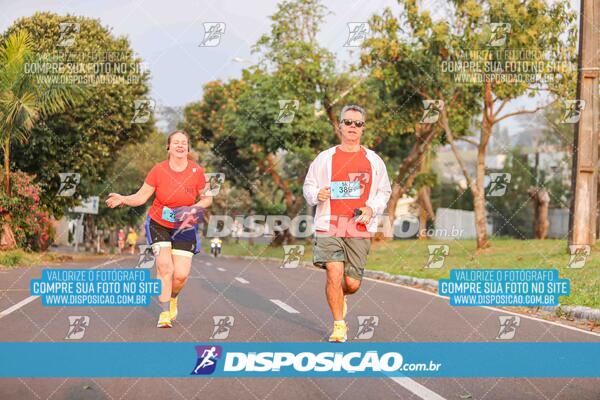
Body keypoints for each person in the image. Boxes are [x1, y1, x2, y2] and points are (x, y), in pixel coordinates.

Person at [106, 130, 212, 328]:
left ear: (188, 148)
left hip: (184, 224)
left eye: (184, 143)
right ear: (168, 147)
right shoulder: (158, 170)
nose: (180, 145)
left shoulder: (198, 172)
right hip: (158, 222)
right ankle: (164, 313)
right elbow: (141, 196)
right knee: (165, 267)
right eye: (176, 142)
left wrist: (193, 208)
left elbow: (207, 199)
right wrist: (124, 199)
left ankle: (172, 297)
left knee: (180, 275)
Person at [303, 105, 391, 342]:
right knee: (333, 271)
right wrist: (316, 194)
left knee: (351, 284)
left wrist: (372, 208)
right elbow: (309, 185)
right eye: (348, 122)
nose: (353, 127)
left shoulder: (373, 160)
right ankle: (338, 325)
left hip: (359, 226)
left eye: (358, 124)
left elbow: (384, 190)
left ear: (363, 129)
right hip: (328, 223)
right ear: (340, 125)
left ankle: (342, 296)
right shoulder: (325, 158)